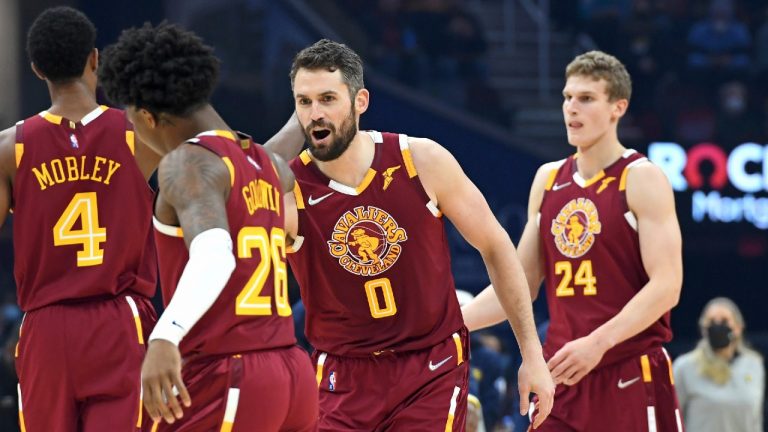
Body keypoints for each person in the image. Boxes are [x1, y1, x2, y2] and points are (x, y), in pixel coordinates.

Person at [281, 39, 554, 431]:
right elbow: (232, 202)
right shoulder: (289, 191)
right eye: (304, 102)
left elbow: (496, 246)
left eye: (327, 98)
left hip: (430, 368)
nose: (315, 113)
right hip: (343, 374)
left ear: (360, 101)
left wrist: (532, 353)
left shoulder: (419, 159)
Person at [98, 22, 317, 431]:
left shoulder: (187, 163)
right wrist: (302, 117)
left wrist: (165, 336)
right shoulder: (262, 164)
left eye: (131, 122)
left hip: (228, 372)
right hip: (290, 371)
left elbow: (216, 256)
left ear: (147, 116)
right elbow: (278, 161)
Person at [462, 50, 684, 431]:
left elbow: (667, 286)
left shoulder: (641, 178)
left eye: (586, 99)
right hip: (561, 372)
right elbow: (518, 286)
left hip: (625, 367)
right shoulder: (548, 179)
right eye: (567, 98)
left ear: (618, 107)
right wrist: (444, 323)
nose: (571, 108)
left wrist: (598, 343)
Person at [0, 7, 160, 431]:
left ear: (36, 69)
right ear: (95, 59)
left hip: (45, 326)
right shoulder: (139, 133)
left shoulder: (9, 147)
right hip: (119, 320)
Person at [673, 297, 764, 432]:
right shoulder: (684, 367)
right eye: (711, 321)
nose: (718, 326)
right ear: (703, 329)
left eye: (724, 321)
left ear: (738, 327)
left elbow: (756, 419)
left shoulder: (754, 364)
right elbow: (672, 419)